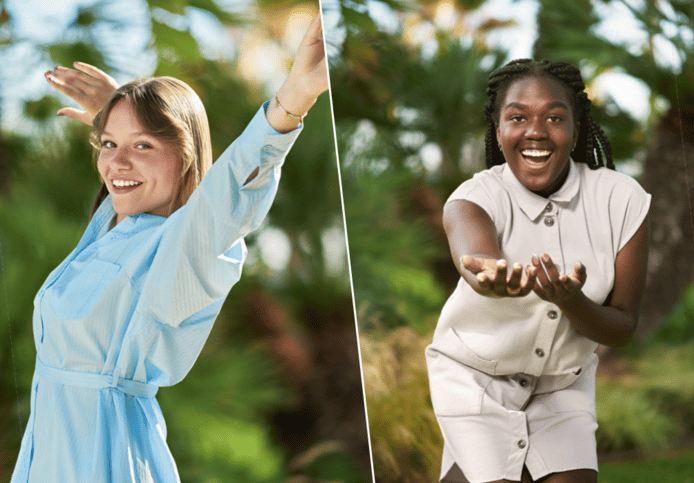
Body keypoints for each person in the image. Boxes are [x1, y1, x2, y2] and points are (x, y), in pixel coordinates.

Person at [11, 14, 327, 483]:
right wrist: (123, 113)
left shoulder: (179, 249)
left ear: (187, 157)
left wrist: (293, 99)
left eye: (142, 145)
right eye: (109, 143)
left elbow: (226, 200)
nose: (116, 161)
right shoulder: (111, 235)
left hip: (105, 459)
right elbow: (133, 173)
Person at [425, 59, 650, 483]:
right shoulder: (473, 198)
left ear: (576, 128)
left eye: (554, 117)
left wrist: (573, 303)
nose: (535, 131)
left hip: (563, 386)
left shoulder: (623, 201)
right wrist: (489, 280)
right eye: (517, 117)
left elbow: (622, 327)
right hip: (476, 380)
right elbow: (476, 257)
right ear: (498, 131)